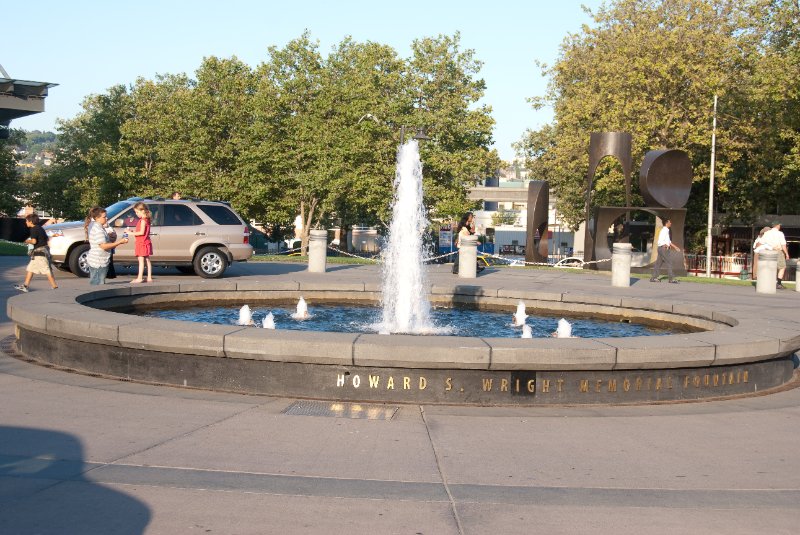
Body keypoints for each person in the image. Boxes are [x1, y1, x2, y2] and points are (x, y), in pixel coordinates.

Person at [14, 214, 58, 292]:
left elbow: (34, 241)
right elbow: (46, 239)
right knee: (30, 269)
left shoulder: (33, 229)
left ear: (31, 221)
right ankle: (25, 286)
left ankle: (55, 287)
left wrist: (26, 241)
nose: (26, 222)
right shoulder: (40, 228)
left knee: (46, 270)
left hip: (40, 253)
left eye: (27, 221)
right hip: (42, 251)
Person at [85, 206, 129, 285]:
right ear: (97, 218)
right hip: (98, 262)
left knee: (97, 283)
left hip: (99, 260)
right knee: (98, 284)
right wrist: (120, 242)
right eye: (104, 217)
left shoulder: (97, 226)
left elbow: (103, 241)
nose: (107, 218)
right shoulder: (98, 229)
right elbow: (103, 246)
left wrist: (110, 238)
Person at [650, 218, 680, 283]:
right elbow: (661, 240)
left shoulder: (666, 230)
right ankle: (671, 279)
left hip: (660, 248)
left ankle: (653, 278)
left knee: (658, 263)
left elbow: (668, 241)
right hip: (663, 249)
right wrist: (664, 245)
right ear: (666, 223)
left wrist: (675, 247)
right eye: (670, 222)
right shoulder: (665, 230)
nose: (671, 223)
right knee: (669, 263)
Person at [762, 221, 790, 289]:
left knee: (769, 267)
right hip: (778, 251)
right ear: (777, 225)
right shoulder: (780, 233)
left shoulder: (766, 233)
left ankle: (767, 282)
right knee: (782, 267)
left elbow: (762, 242)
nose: (780, 226)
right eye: (779, 225)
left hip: (768, 251)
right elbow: (783, 245)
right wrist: (786, 254)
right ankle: (779, 283)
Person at [130, 202, 153, 283]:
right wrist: (134, 231)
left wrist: (131, 233)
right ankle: (149, 277)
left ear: (142, 210)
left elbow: (141, 232)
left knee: (141, 260)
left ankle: (139, 278)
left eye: (137, 212)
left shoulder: (142, 220)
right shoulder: (147, 219)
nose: (136, 214)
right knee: (147, 260)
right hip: (146, 242)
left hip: (141, 243)